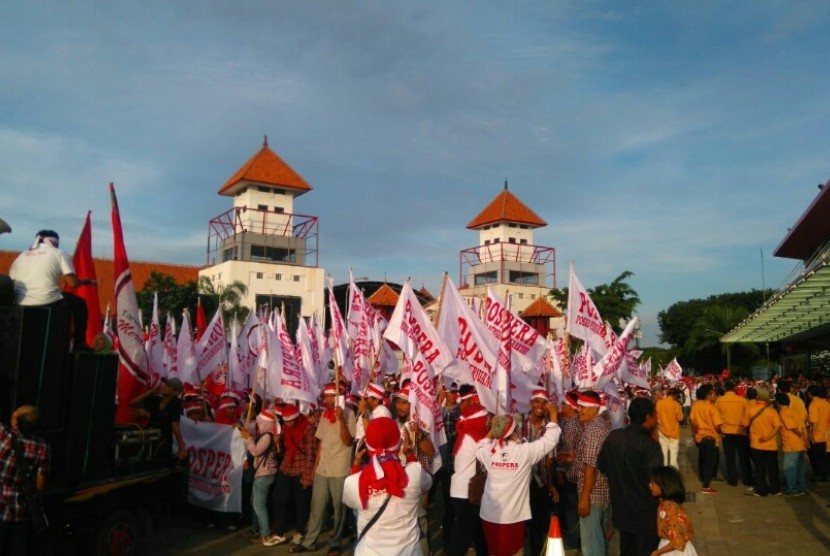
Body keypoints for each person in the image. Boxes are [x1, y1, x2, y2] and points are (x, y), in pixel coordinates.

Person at [476, 403, 560, 556]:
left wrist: (493, 430)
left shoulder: (489, 451)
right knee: (514, 553)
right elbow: (549, 440)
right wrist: (553, 415)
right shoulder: (524, 452)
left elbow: (480, 447)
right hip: (513, 518)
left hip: (489, 515)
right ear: (515, 431)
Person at [343, 417, 433, 556]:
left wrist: (356, 463)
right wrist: (409, 456)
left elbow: (352, 503)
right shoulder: (415, 473)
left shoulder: (354, 482)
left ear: (366, 446)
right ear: (399, 443)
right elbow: (427, 484)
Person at [292, 383, 356, 555]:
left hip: (339, 468)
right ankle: (309, 542)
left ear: (339, 397)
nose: (327, 399)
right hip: (323, 467)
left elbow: (348, 441)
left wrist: (341, 419)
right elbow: (321, 443)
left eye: (331, 396)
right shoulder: (324, 415)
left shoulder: (349, 414)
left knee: (338, 507)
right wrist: (314, 468)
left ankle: (335, 543)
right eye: (326, 396)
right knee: (317, 506)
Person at [598, 397, 663, 556]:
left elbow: (602, 465)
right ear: (648, 417)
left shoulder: (614, 437)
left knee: (627, 550)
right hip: (646, 515)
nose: (657, 419)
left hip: (622, 512)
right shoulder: (650, 445)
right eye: (655, 415)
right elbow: (657, 484)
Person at [8, 230, 94, 350]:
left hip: (20, 302)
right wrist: (84, 281)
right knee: (79, 304)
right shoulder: (59, 253)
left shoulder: (22, 255)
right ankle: (79, 344)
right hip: (47, 300)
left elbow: (11, 282)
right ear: (55, 243)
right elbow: (72, 283)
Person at [0, 406, 50, 556]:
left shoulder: (2, 435)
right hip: (20, 514)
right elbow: (40, 486)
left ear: (16, 422)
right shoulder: (43, 447)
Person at [449, 386, 489, 556]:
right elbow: (486, 455)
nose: (487, 422)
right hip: (467, 494)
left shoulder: (467, 433)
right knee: (463, 537)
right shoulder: (473, 436)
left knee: (480, 534)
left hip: (465, 492)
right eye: (485, 419)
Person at [273, 403, 319, 546]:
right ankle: (280, 532)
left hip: (301, 468)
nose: (288, 424)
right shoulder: (286, 429)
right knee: (278, 498)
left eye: (291, 421)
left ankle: (299, 531)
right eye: (285, 421)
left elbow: (311, 453)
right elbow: (284, 450)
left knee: (301, 502)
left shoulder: (307, 428)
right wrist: (277, 443)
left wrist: (307, 476)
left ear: (297, 418)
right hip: (287, 466)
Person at [519, 389, 558, 556]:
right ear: (531, 403)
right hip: (521, 483)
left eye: (544, 402)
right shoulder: (519, 424)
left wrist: (551, 485)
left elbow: (549, 461)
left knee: (537, 527)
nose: (540, 406)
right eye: (537, 401)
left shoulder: (550, 427)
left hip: (540, 482)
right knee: (520, 526)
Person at [574, 390, 612, 556]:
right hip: (600, 493)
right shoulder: (599, 425)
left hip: (593, 495)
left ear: (594, 409)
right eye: (579, 407)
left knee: (591, 545)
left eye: (583, 407)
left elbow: (591, 466)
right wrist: (575, 457)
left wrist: (584, 498)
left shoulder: (593, 430)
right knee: (599, 540)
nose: (579, 410)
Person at [239, 409, 281, 546]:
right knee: (255, 502)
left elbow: (256, 451)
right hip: (262, 473)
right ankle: (256, 528)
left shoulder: (267, 437)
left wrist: (248, 438)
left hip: (265, 473)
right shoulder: (264, 435)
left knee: (259, 505)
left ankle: (266, 534)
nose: (257, 424)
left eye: (259, 422)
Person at [129, 377, 188, 462]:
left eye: (168, 386)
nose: (164, 386)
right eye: (165, 384)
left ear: (175, 392)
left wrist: (182, 448)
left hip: (163, 443)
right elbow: (132, 403)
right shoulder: (156, 400)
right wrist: (152, 391)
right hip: (149, 439)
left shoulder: (176, 403)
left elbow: (175, 426)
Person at [555, 390, 583, 551]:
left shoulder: (571, 425)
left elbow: (566, 451)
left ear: (572, 407)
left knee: (569, 509)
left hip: (569, 474)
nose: (562, 407)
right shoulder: (571, 422)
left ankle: (572, 544)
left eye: (564, 404)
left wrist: (559, 471)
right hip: (572, 473)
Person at [649, 466, 697, 556]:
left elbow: (678, 541)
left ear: (663, 485)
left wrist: (657, 552)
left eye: (653, 483)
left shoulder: (671, 510)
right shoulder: (665, 503)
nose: (650, 485)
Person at [744, 387, 781, 497]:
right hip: (771, 445)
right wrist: (768, 437)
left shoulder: (750, 410)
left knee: (759, 468)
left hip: (756, 444)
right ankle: (774, 489)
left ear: (757, 397)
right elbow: (777, 427)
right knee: (773, 468)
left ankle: (762, 490)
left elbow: (745, 424)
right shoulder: (772, 411)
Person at [715, 380, 752, 488]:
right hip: (741, 431)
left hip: (726, 431)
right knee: (743, 458)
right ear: (735, 388)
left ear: (725, 389)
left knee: (730, 458)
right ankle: (746, 479)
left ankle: (732, 480)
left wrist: (719, 429)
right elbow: (748, 416)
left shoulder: (719, 401)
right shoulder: (743, 400)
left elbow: (716, 416)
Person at [689, 384, 722, 494]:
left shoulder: (696, 405)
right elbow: (717, 425)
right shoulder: (712, 408)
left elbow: (692, 421)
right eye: (713, 394)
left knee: (702, 458)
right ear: (708, 395)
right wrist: (721, 432)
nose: (715, 396)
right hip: (709, 437)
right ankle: (706, 486)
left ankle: (703, 477)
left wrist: (695, 433)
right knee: (709, 462)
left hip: (699, 436)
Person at [776, 393, 808, 496]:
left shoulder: (783, 412)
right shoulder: (794, 411)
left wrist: (798, 433)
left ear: (778, 402)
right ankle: (801, 488)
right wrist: (805, 439)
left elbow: (791, 426)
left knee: (789, 468)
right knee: (799, 468)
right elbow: (803, 427)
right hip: (800, 443)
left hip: (791, 444)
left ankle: (793, 489)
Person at [806, 385, 830, 482]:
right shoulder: (826, 403)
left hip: (818, 434)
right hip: (827, 433)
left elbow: (814, 421)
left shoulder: (813, 404)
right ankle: (826, 474)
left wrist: (811, 434)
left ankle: (820, 474)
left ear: (810, 394)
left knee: (816, 457)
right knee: (825, 456)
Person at [655, 389, 684, 469]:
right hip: (673, 432)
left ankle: (664, 472)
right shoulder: (676, 404)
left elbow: (656, 416)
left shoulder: (659, 403)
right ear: (674, 396)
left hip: (662, 431)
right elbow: (680, 418)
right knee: (673, 454)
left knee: (663, 453)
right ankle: (673, 472)